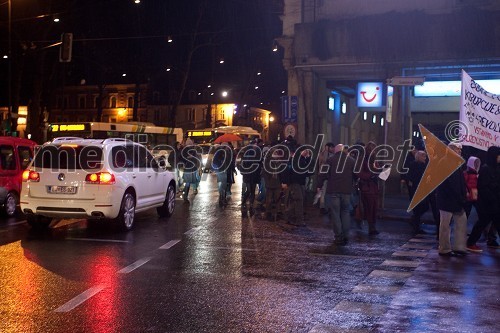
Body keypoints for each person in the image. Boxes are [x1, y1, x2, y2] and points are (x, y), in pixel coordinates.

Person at [317, 143, 356, 245]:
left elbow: (323, 174)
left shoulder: (330, 160)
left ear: (336, 151)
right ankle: (346, 235)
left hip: (334, 190)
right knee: (345, 212)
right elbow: (356, 174)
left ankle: (338, 236)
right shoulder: (351, 161)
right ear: (343, 151)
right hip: (346, 191)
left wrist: (319, 185)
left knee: (335, 214)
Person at [466, 146, 500, 252]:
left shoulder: (496, 168)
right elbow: (483, 188)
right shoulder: (486, 169)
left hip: (494, 203)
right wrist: (494, 198)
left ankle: (471, 242)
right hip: (487, 204)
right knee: (483, 223)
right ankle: (470, 243)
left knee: (487, 223)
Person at [437, 142, 468, 257]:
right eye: (458, 149)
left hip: (454, 199)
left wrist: (462, 195)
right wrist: (461, 197)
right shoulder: (445, 162)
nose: (460, 151)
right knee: (445, 224)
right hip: (447, 198)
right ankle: (444, 248)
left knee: (461, 220)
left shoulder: (456, 162)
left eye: (460, 150)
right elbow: (451, 183)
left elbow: (460, 182)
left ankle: (459, 247)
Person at [356, 141, 382, 235]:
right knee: (369, 207)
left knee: (374, 207)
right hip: (366, 186)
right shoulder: (362, 159)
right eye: (372, 149)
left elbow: (376, 169)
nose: (374, 152)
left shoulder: (373, 159)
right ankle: (371, 226)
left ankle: (371, 226)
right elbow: (358, 172)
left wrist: (381, 171)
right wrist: (370, 175)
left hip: (373, 186)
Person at [238, 140, 262, 217]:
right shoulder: (247, 156)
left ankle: (250, 204)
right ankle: (245, 202)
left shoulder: (257, 156)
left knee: (251, 190)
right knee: (250, 190)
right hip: (249, 176)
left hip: (252, 176)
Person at [318, 142, 335, 214]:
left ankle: (326, 206)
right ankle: (323, 207)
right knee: (324, 192)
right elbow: (325, 162)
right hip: (325, 175)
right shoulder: (324, 154)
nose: (333, 149)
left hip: (325, 175)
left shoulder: (323, 154)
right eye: (332, 148)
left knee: (325, 192)